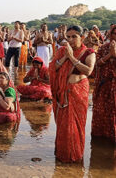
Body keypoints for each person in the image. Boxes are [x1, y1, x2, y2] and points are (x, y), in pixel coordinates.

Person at [49, 25, 96, 163]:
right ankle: (63, 155)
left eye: (74, 36)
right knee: (63, 126)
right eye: (68, 37)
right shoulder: (62, 50)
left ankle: (75, 156)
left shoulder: (89, 52)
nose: (70, 39)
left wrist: (72, 58)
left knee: (75, 126)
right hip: (63, 92)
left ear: (81, 37)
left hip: (78, 92)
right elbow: (53, 67)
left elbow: (88, 71)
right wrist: (65, 57)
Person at [91, 26, 116, 143]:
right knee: (103, 111)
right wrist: (110, 55)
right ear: (111, 35)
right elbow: (97, 64)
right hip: (104, 84)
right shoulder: (103, 48)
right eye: (114, 33)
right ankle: (102, 138)